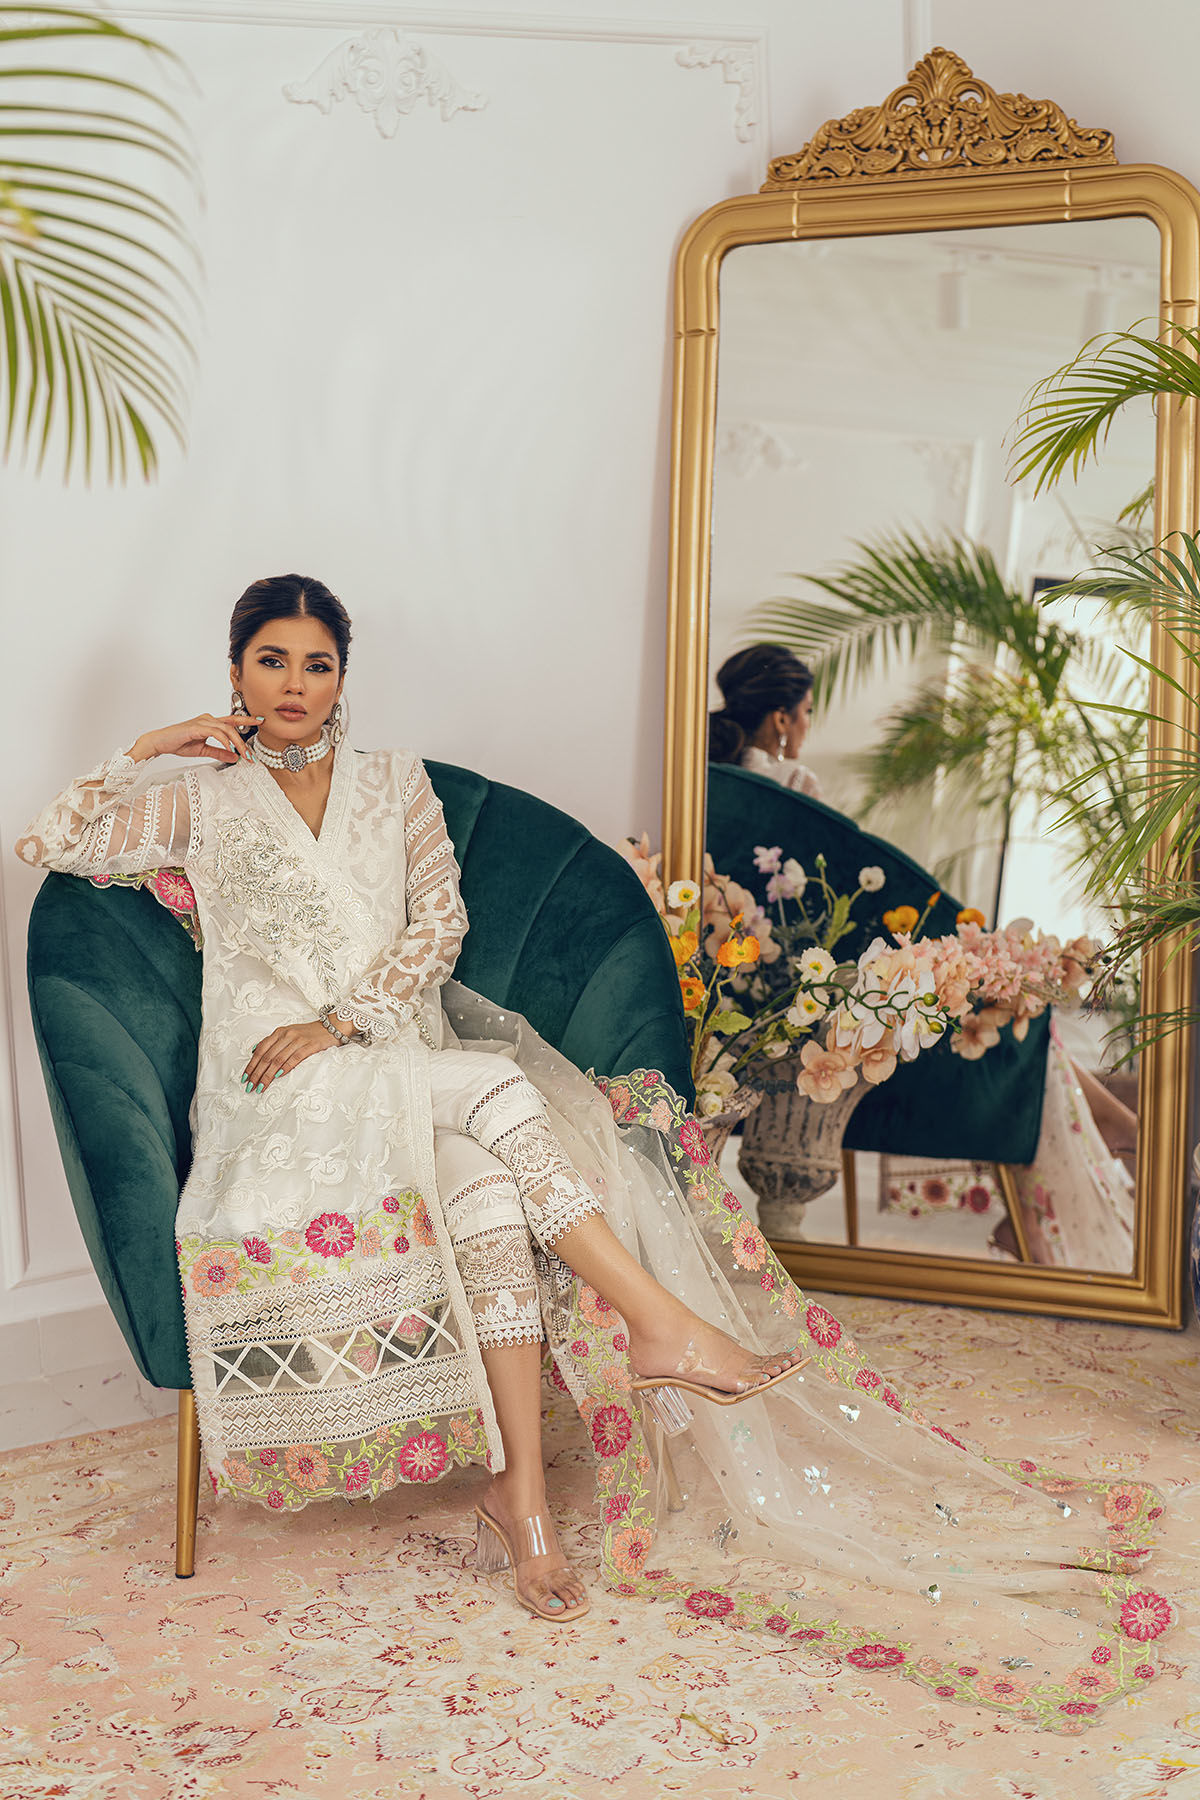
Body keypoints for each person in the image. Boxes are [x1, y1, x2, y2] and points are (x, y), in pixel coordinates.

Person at [16, 578, 1170, 1727]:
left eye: (316, 663)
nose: (294, 684)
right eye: (271, 660)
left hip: (398, 1056)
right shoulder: (199, 802)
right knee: (503, 1086)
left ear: (342, 677)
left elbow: (440, 928)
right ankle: (662, 1325)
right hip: (284, 1087)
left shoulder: (396, 784)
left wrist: (350, 1019)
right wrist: (154, 745)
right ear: (236, 670)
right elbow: (48, 840)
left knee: (487, 1198)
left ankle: (521, 1500)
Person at [708, 641, 1137, 1272]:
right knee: (1018, 1025)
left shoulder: (708, 787)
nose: (806, 726)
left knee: (1018, 1021)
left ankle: (1107, 1134)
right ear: (781, 719)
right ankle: (1115, 1132)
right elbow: (845, 904)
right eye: (806, 713)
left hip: (748, 1006)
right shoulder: (795, 788)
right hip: (840, 1021)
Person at [708, 642, 823, 798]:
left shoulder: (705, 771)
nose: (808, 725)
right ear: (780, 720)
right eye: (807, 710)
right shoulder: (797, 782)